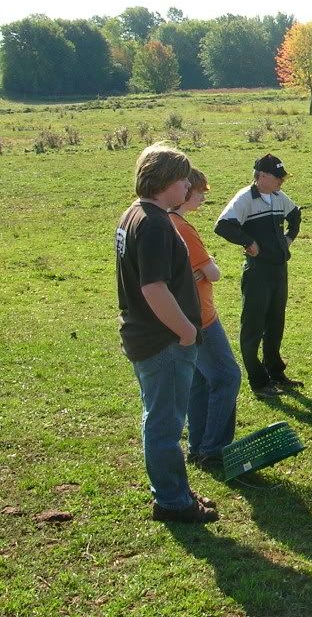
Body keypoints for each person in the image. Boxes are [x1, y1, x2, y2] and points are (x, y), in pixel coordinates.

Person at [115, 142, 218, 523]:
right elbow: (153, 288)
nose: (188, 188)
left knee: (157, 416)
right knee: (165, 423)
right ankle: (173, 502)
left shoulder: (133, 215)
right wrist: (187, 331)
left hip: (145, 336)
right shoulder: (156, 224)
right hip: (163, 341)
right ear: (166, 182)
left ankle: (173, 490)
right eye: (183, 180)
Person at [169, 167, 242, 469]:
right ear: (184, 192)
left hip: (185, 316)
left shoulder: (167, 221)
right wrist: (208, 263)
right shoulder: (183, 228)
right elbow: (214, 272)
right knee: (227, 377)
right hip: (201, 317)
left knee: (200, 382)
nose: (201, 197)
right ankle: (214, 449)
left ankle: (198, 446)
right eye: (198, 191)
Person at [215, 153, 303, 398]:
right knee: (253, 326)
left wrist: (288, 239)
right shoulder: (244, 198)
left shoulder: (277, 196)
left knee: (276, 322)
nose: (281, 182)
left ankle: (276, 372)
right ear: (262, 176)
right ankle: (258, 381)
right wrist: (248, 241)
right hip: (257, 273)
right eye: (278, 177)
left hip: (278, 270)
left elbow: (295, 214)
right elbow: (222, 225)